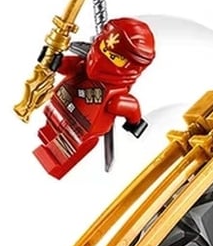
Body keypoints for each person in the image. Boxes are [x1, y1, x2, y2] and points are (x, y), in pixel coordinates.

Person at [33, 17, 155, 179]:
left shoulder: (115, 93)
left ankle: (55, 162)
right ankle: (48, 135)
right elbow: (70, 66)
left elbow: (131, 106)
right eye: (104, 47)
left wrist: (135, 123)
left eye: (114, 57)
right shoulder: (84, 65)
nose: (101, 58)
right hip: (61, 106)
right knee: (51, 127)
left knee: (65, 148)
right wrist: (55, 62)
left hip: (80, 129)